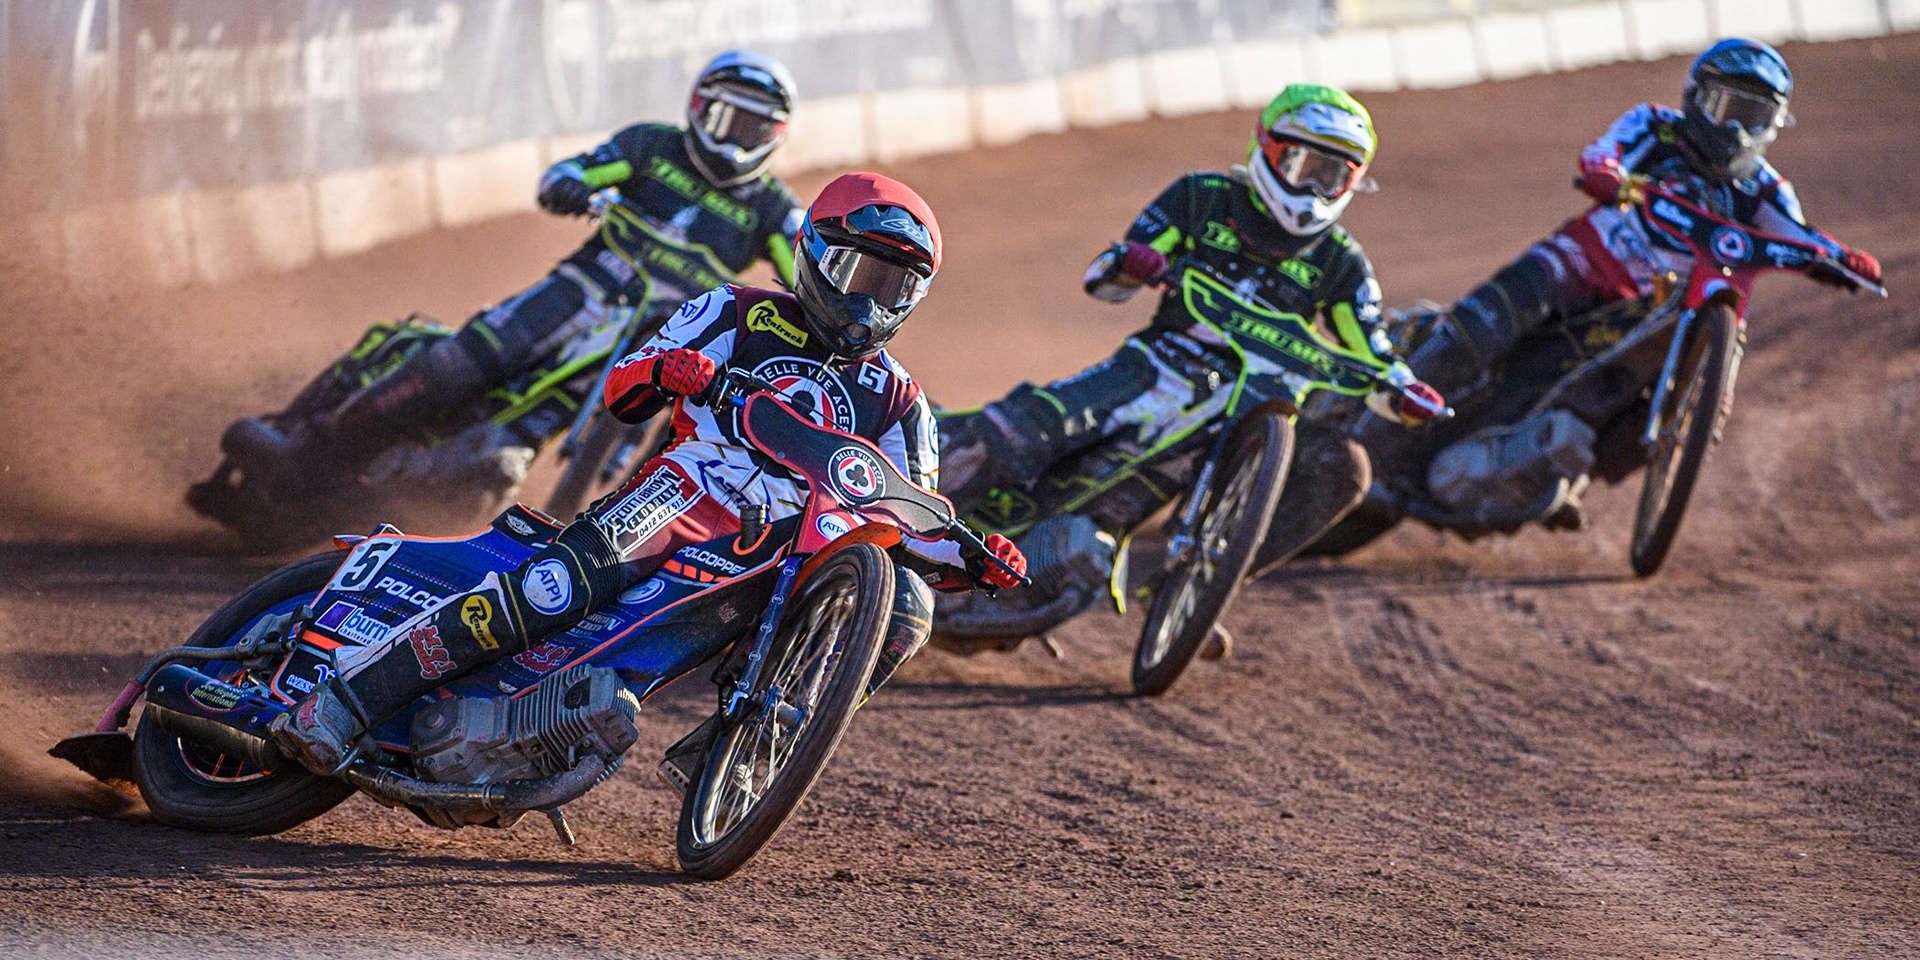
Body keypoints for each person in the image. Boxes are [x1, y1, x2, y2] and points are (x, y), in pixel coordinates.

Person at [269, 173, 1029, 786]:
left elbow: (915, 517)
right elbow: (622, 389)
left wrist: (978, 557)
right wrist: (667, 370)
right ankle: (344, 699)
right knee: (552, 592)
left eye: (894, 288)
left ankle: (737, 754)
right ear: (811, 252)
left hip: (785, 553)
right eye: (857, 273)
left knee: (908, 609)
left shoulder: (903, 400)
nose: (869, 301)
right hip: (685, 495)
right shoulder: (733, 311)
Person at [937, 84, 1441, 640]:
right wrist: (1132, 264)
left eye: (1333, 176)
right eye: (1303, 166)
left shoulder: (1341, 262)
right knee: (1011, 435)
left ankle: (1192, 588)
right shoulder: (1202, 196)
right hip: (1155, 365)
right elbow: (1105, 280)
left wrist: (1402, 385)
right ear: (1269, 151)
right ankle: (885, 500)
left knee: (1346, 469)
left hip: (1246, 409)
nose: (1314, 188)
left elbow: (1372, 345)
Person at [1356, 38, 1883, 498]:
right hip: (1578, 262)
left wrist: (1841, 260)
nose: (1738, 132)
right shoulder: (1656, 127)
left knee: (1646, 409)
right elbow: (1604, 154)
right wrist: (1606, 174)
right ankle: (1363, 446)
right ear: (1696, 100)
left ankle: (1550, 476)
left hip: (1643, 310)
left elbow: (1800, 236)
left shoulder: (1766, 188)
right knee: (1479, 328)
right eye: (1728, 109)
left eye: (1756, 119)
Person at [252, 50, 810, 479]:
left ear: (774, 137)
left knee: (502, 457)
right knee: (453, 367)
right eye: (725, 118)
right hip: (577, 289)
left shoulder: (773, 208)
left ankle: (469, 491)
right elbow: (565, 174)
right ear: (697, 109)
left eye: (752, 127)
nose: (735, 137)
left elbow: (808, 279)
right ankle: (311, 447)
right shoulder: (649, 145)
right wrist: (571, 187)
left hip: (656, 335)